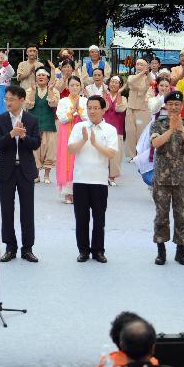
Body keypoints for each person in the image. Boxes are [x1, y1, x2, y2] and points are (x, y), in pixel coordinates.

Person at [67, 95, 119, 263]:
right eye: (89, 108)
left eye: (96, 108)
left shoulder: (110, 130)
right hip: (81, 180)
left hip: (99, 181)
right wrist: (84, 139)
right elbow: (71, 150)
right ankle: (83, 250)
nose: (92, 111)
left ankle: (98, 251)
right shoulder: (79, 126)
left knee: (99, 218)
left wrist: (95, 143)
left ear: (104, 109)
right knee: (81, 218)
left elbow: (111, 154)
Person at [0, 85, 42, 263]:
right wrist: (11, 134)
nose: (8, 102)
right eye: (6, 99)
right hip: (5, 170)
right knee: (6, 210)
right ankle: (9, 247)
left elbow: (36, 143)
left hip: (25, 170)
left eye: (12, 99)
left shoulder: (32, 119)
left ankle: (27, 248)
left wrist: (23, 137)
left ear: (22, 100)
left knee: (27, 210)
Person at [150, 91, 184, 265]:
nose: (173, 107)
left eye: (176, 104)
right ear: (165, 106)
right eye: (170, 104)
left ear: (182, 106)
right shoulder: (158, 124)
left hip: (182, 179)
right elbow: (155, 143)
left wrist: (181, 129)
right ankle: (161, 251)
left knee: (181, 215)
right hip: (162, 179)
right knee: (161, 215)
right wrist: (171, 129)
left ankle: (180, 251)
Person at [56, 76, 87, 204]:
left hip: (81, 132)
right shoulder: (63, 101)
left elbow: (87, 116)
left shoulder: (85, 100)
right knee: (67, 160)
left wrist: (79, 111)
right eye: (72, 85)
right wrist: (72, 112)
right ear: (68, 87)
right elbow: (61, 117)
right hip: (66, 133)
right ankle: (68, 192)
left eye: (77, 85)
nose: (74, 88)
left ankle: (79, 191)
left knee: (80, 159)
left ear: (80, 87)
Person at [25, 68, 59, 184]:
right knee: (35, 151)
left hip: (49, 124)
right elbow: (28, 106)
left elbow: (53, 104)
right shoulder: (29, 90)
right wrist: (34, 91)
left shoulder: (54, 90)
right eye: (38, 75)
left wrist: (50, 90)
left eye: (43, 75)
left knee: (49, 150)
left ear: (48, 78)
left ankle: (47, 175)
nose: (41, 77)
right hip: (34, 126)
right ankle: (36, 174)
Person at [125, 59, 152, 159]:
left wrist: (147, 73)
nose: (139, 66)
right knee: (130, 132)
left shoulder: (147, 78)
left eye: (142, 65)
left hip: (142, 109)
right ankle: (131, 155)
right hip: (131, 108)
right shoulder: (132, 77)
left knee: (141, 133)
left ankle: (141, 155)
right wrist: (142, 73)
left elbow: (151, 82)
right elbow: (131, 82)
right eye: (138, 64)